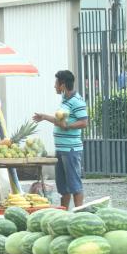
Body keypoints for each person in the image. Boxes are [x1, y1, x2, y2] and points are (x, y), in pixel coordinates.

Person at [33, 70, 89, 210]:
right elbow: (60, 121)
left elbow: (84, 122)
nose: (54, 86)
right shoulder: (65, 100)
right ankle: (63, 213)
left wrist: (68, 126)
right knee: (63, 186)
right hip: (61, 149)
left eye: (56, 83)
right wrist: (44, 117)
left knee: (74, 184)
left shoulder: (77, 101)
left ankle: (78, 214)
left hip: (71, 149)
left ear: (62, 85)